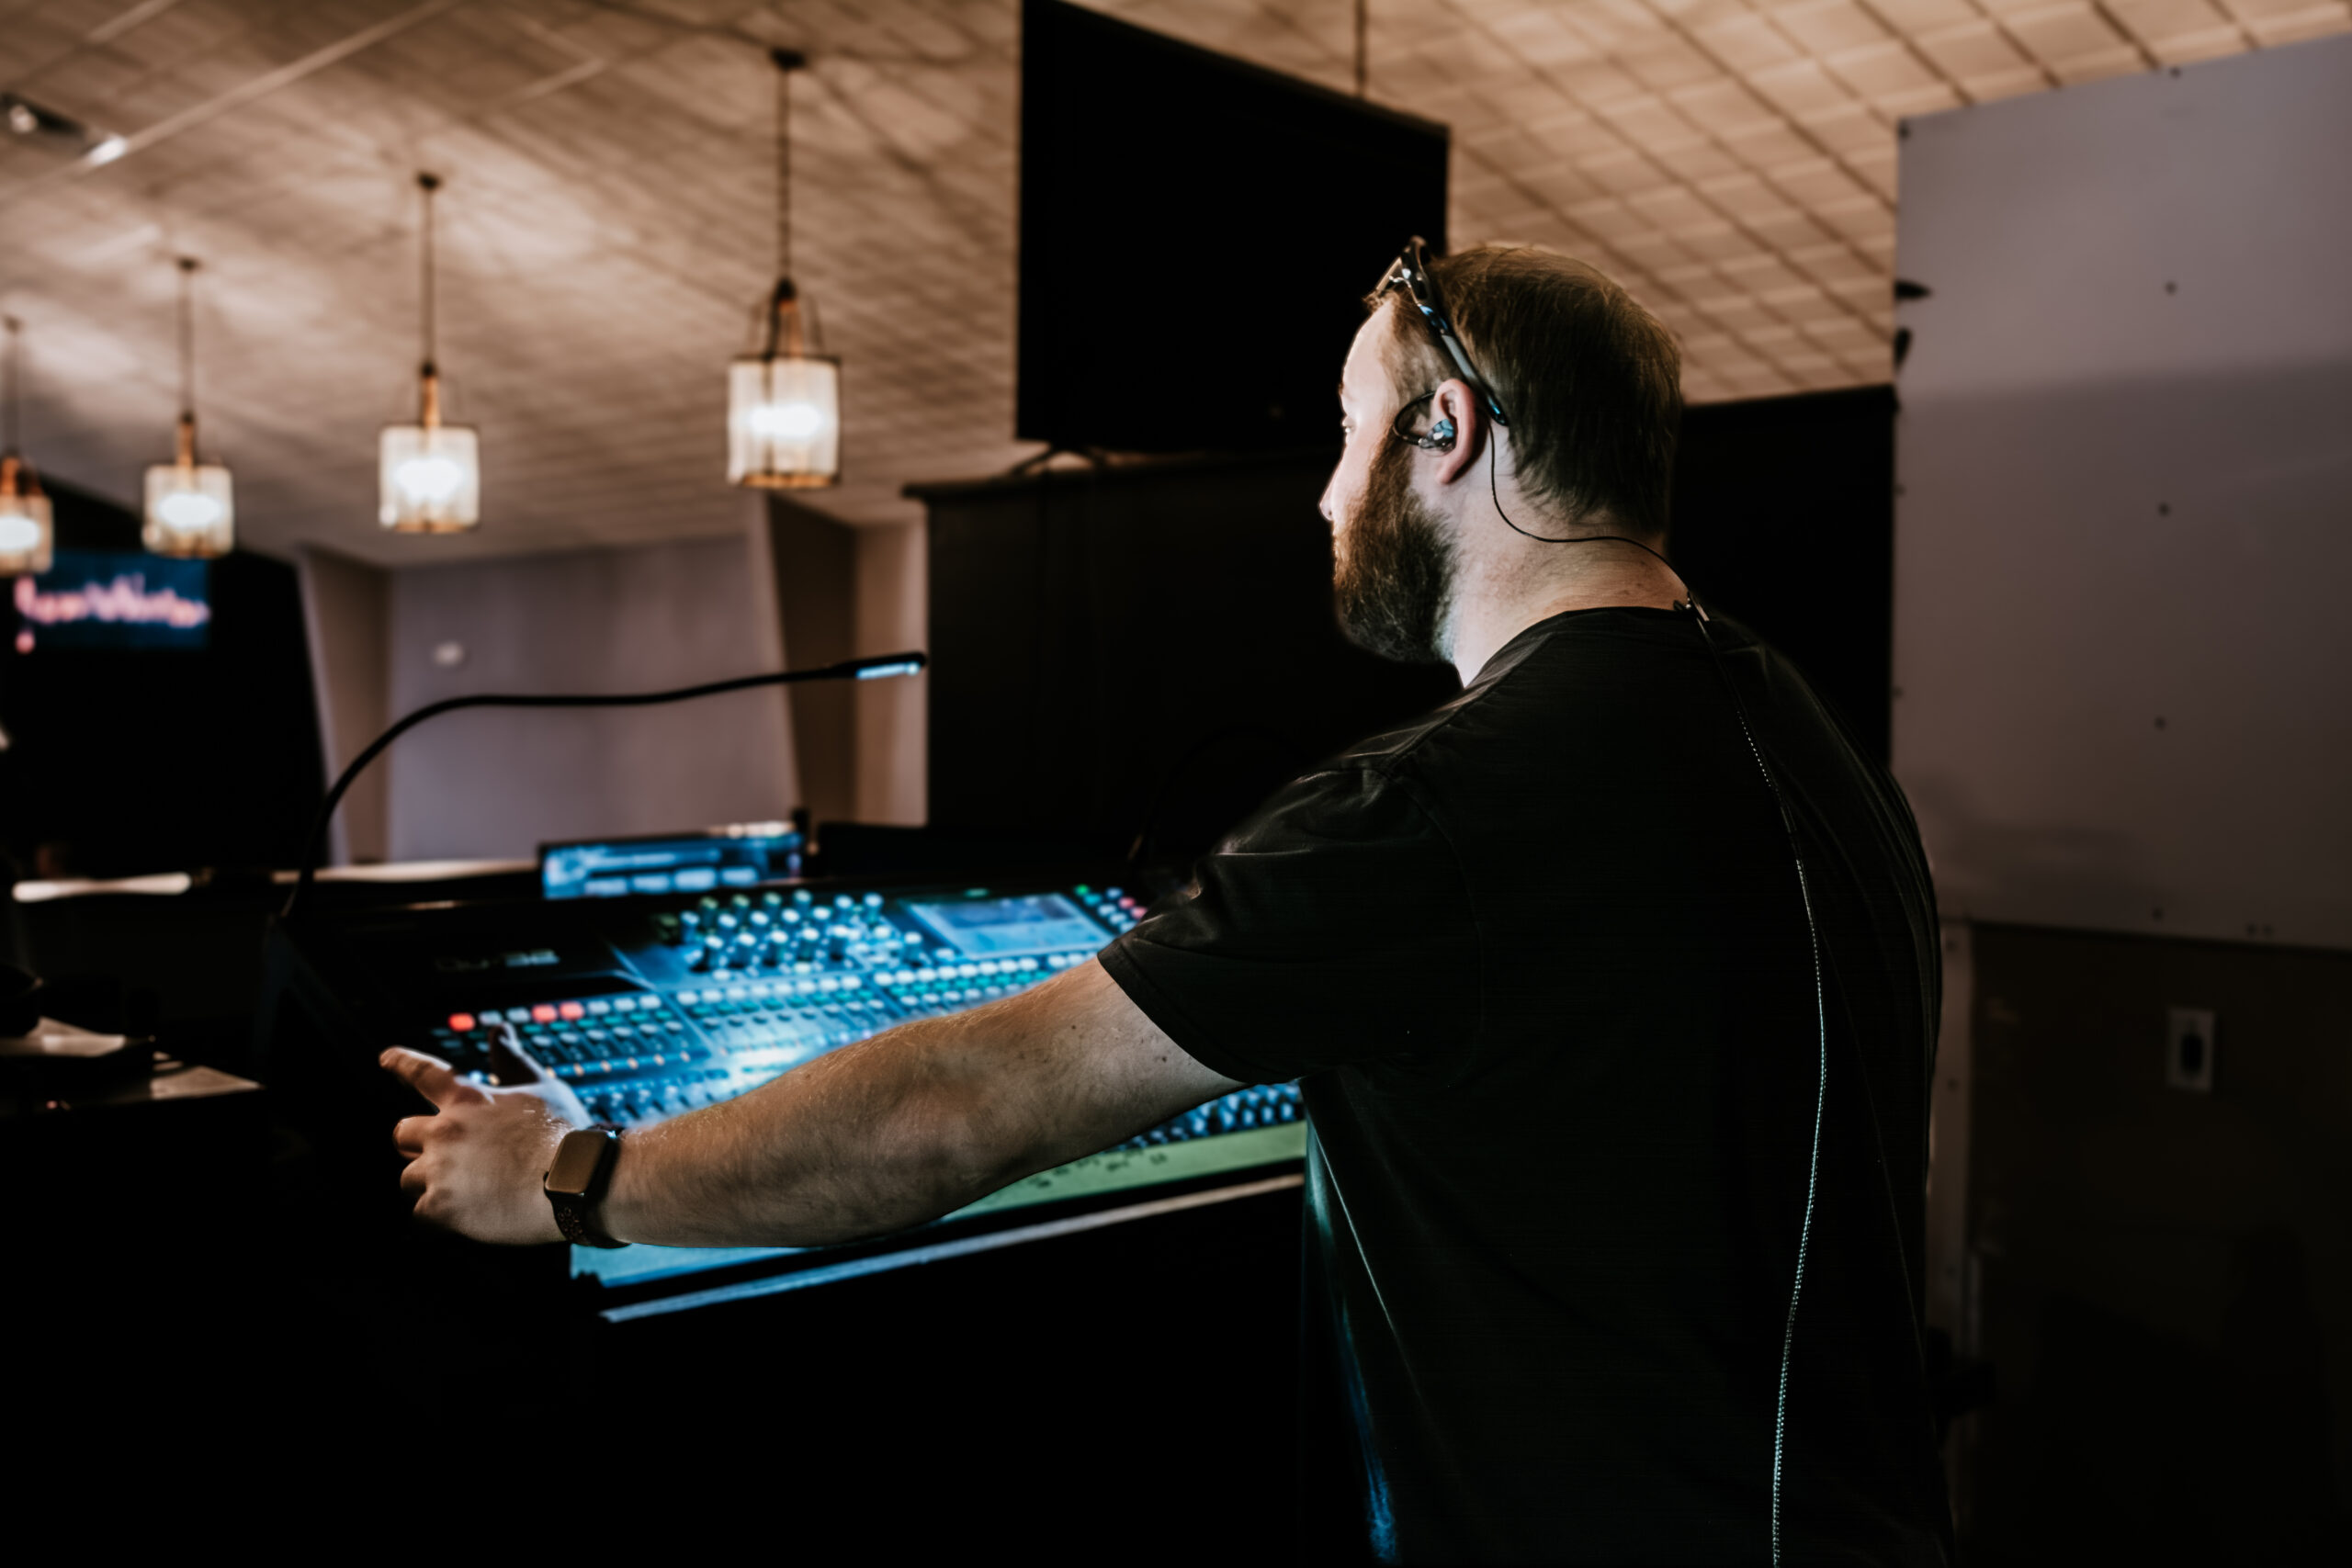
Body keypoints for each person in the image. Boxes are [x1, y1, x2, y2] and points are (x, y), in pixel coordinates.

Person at [386, 242, 1953, 1565]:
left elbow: (954, 1106)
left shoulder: (1440, 814)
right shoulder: (1799, 731)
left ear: (1447, 434)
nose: (1321, 493)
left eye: (1350, 431)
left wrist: (575, 1172)